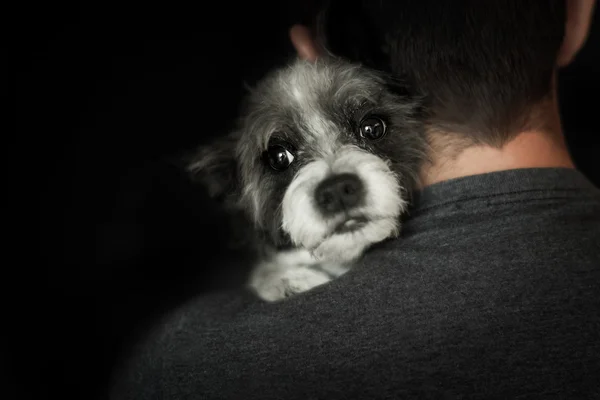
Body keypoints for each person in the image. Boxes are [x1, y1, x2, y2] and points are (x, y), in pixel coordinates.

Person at [110, 1, 599, 398]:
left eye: (370, 128)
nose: (335, 181)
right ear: (577, 17)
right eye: (281, 157)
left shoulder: (188, 369)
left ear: (315, 48)